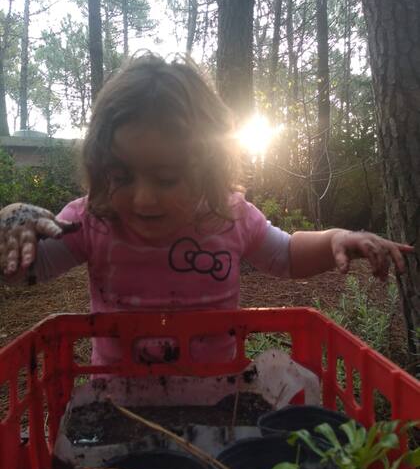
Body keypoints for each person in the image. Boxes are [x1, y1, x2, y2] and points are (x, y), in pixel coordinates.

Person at [0, 53, 413, 366]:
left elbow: (285, 254)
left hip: (217, 406)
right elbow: (21, 274)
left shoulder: (227, 215)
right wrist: (13, 220)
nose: (144, 199)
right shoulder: (94, 219)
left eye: (166, 179)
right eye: (121, 176)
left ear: (207, 170)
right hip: (117, 409)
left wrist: (337, 239)